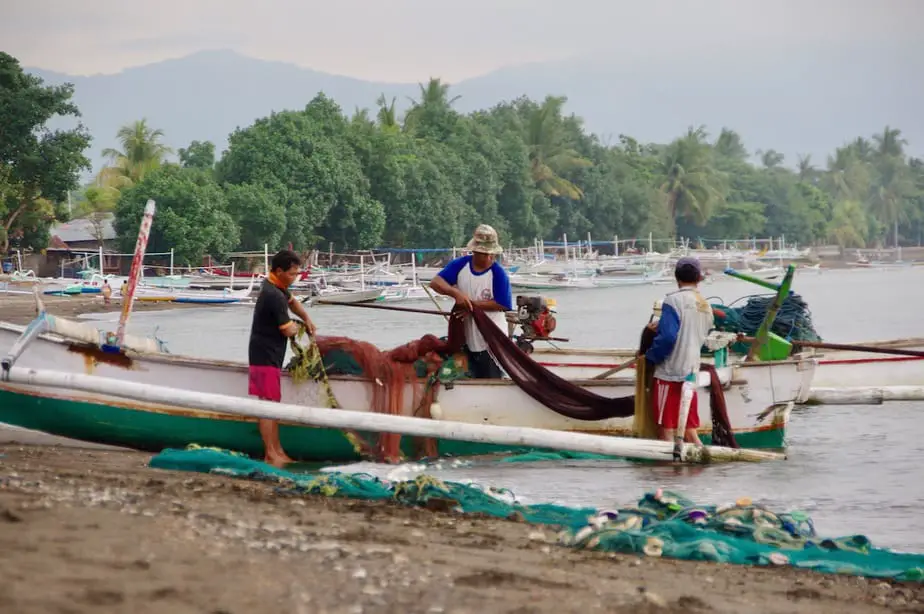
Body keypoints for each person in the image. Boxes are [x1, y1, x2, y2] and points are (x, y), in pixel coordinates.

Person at [248, 249, 317, 466]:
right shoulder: (273, 295)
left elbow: (293, 302)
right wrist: (300, 326)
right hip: (264, 355)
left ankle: (277, 449)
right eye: (292, 274)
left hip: (271, 355)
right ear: (279, 271)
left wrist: (306, 317)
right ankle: (270, 453)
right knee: (267, 406)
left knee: (273, 403)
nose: (295, 278)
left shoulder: (277, 286)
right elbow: (287, 329)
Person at [644, 257, 714, 447]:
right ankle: (701, 459)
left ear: (677, 277)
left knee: (666, 427)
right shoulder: (705, 305)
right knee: (689, 429)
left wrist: (650, 357)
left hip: (669, 373)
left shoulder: (672, 301)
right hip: (691, 372)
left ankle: (667, 471)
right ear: (699, 278)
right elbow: (695, 333)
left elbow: (667, 338)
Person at [430, 224, 512, 378]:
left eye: (492, 254)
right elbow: (436, 282)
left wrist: (471, 305)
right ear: (474, 251)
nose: (489, 257)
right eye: (483, 254)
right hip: (468, 338)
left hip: (492, 341)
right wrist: (455, 293)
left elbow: (503, 304)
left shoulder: (498, 273)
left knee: (491, 378)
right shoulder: (461, 265)